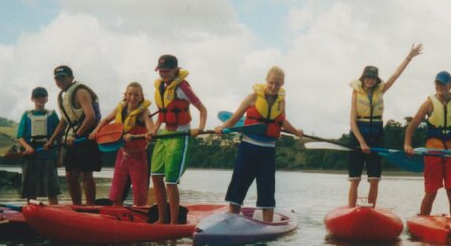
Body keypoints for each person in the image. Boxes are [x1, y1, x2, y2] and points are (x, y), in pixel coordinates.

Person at [217, 66, 303, 222]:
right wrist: (223, 127)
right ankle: (231, 222)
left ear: (282, 84)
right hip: (248, 147)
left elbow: (282, 122)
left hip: (268, 151)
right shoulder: (253, 97)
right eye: (271, 83)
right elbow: (235, 118)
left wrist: (296, 131)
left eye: (277, 84)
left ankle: (268, 225)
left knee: (267, 190)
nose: (273, 87)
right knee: (239, 185)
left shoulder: (281, 101)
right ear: (266, 80)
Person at [348, 44, 423, 209]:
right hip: (358, 137)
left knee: (374, 179)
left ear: (376, 80)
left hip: (376, 137)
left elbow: (396, 75)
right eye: (367, 77)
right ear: (363, 78)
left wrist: (409, 57)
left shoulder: (380, 91)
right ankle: (351, 210)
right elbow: (352, 122)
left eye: (373, 78)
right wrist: (361, 143)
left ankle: (370, 210)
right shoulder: (356, 93)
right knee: (355, 179)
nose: (370, 80)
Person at [403, 71, 451, 221]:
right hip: (433, 150)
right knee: (431, 190)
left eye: (443, 84)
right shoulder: (428, 103)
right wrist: (407, 144)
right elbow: (412, 126)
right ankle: (422, 221)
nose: (440, 86)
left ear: (450, 85)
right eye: (437, 83)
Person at [149, 54, 207, 224]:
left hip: (180, 135)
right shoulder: (160, 87)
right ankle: (162, 219)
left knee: (171, 181)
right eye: (161, 71)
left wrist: (200, 128)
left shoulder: (182, 88)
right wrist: (153, 130)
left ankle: (174, 223)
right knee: (156, 176)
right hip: (164, 135)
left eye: (167, 71)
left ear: (175, 70)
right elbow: (162, 113)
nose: (163, 74)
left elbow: (202, 109)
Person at [45, 65, 101, 205]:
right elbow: (64, 122)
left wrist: (76, 136)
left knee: (86, 174)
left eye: (63, 77)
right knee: (70, 174)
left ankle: (90, 207)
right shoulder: (64, 96)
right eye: (57, 78)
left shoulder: (80, 92)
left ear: (71, 78)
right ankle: (77, 206)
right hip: (74, 137)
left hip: (87, 136)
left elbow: (91, 117)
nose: (60, 81)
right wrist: (51, 141)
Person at [90, 82, 153, 207]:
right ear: (125, 95)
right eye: (130, 94)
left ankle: (139, 217)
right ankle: (116, 216)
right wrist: (95, 131)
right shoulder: (121, 108)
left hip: (139, 156)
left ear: (141, 97)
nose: (133, 98)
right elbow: (107, 119)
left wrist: (142, 135)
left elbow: (151, 129)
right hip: (122, 154)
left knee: (140, 194)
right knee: (116, 193)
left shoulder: (144, 112)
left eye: (136, 95)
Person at [16, 86, 60, 204]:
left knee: (52, 189)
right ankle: (32, 212)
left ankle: (55, 213)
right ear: (32, 99)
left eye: (42, 96)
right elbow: (20, 136)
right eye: (37, 97)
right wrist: (27, 147)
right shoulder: (26, 115)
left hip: (48, 155)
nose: (40, 99)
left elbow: (59, 135)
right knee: (30, 189)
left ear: (46, 99)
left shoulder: (53, 115)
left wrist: (60, 157)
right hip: (30, 156)